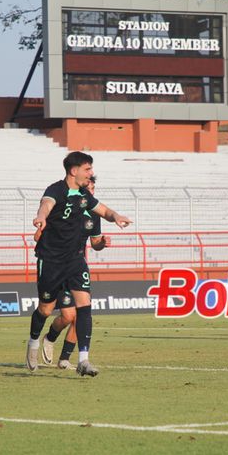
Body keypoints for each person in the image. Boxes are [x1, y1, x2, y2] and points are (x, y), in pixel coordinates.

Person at [28, 151, 131, 377]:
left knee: (84, 306)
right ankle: (34, 342)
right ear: (74, 171)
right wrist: (41, 217)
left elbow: (103, 210)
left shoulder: (85, 195)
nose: (91, 173)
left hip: (75, 260)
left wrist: (117, 217)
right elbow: (46, 204)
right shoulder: (56, 189)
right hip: (51, 259)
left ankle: (83, 359)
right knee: (45, 309)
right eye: (87, 169)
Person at [36, 175, 111, 370]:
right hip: (57, 266)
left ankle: (65, 359)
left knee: (80, 315)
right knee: (66, 316)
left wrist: (102, 243)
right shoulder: (65, 207)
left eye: (92, 190)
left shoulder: (94, 215)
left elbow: (95, 244)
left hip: (76, 267)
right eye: (87, 188)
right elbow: (42, 232)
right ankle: (49, 338)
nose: (89, 193)